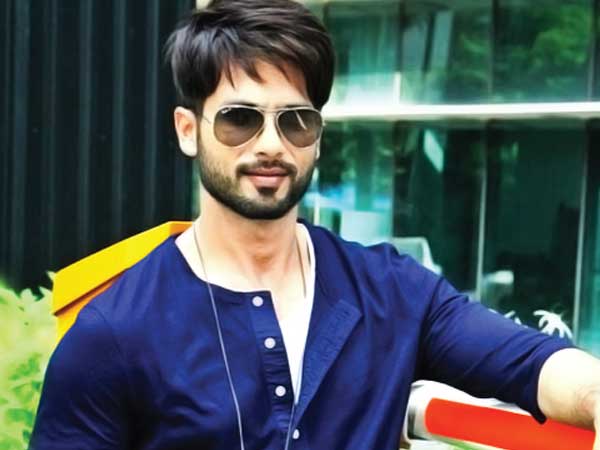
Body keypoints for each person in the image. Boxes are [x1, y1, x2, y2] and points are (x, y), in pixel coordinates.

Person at [30, 0, 600, 449]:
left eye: (296, 121)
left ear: (318, 137)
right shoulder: (115, 333)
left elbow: (533, 364)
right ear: (187, 130)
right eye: (239, 120)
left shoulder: (391, 291)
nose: (270, 144)